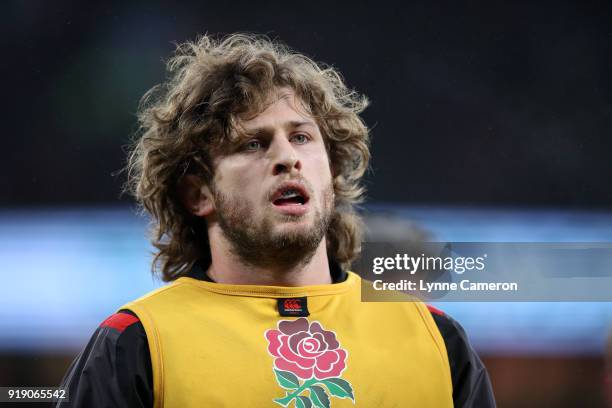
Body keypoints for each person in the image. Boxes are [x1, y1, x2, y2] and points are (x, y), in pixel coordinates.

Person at [58, 33, 495, 407]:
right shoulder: (135, 345)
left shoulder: (438, 340)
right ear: (199, 193)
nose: (288, 158)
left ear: (333, 169)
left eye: (302, 137)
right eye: (253, 144)